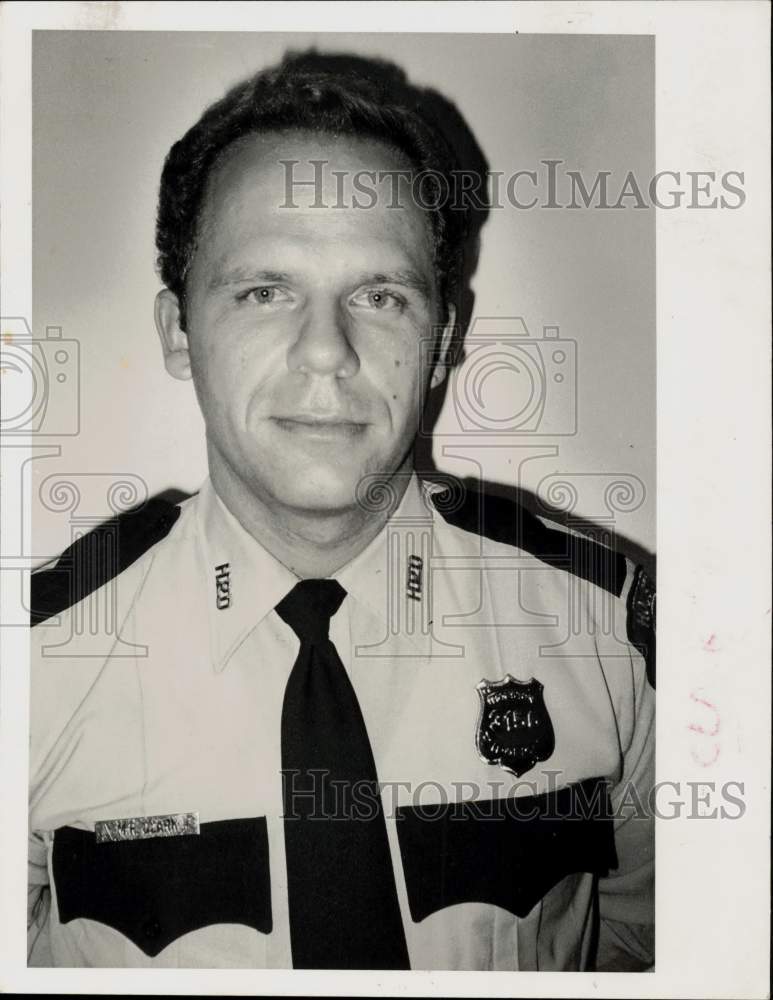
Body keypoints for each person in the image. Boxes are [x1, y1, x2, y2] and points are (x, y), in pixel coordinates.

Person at [28, 50, 655, 971]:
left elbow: (659, 942)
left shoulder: (605, 630)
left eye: (380, 294)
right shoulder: (35, 665)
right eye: (264, 292)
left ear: (441, 343)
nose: (327, 352)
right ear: (178, 331)